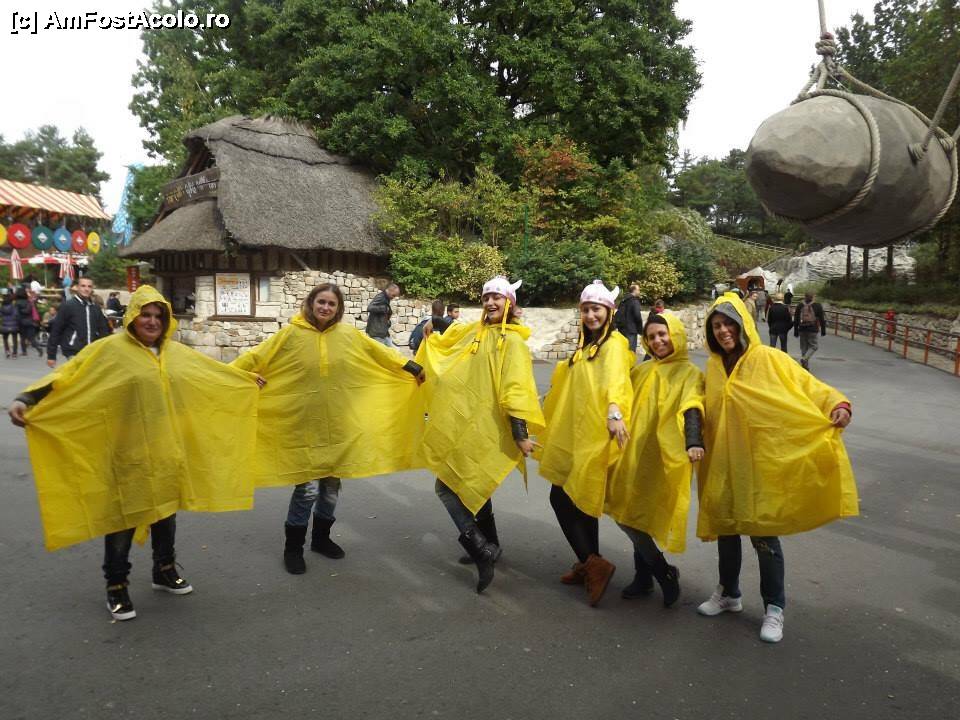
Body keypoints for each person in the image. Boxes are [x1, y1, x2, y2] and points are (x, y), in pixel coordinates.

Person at [8, 285, 260, 621]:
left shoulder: (176, 353)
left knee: (165, 514)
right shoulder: (109, 350)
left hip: (166, 450)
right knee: (123, 518)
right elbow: (68, 375)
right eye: (145, 314)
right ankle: (116, 585)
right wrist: (26, 399)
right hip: (125, 453)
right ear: (132, 317)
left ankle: (164, 570)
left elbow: (210, 374)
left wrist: (243, 380)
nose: (152, 321)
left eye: (158, 316)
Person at [232, 283, 426, 575]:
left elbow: (379, 353)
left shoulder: (348, 335)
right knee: (307, 490)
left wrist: (411, 366)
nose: (325, 307)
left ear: (338, 309)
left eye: (331, 304)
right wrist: (238, 375)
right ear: (311, 303)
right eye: (321, 302)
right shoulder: (290, 334)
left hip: (337, 426)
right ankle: (293, 549)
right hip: (302, 427)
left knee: (331, 487)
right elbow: (256, 357)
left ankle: (321, 539)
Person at [696, 292, 856, 643]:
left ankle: (774, 607)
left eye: (728, 324)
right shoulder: (713, 367)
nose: (723, 331)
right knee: (726, 531)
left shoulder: (767, 358)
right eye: (716, 326)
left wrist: (838, 404)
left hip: (759, 466)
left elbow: (807, 385)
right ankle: (729, 594)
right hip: (723, 465)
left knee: (764, 536)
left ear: (742, 325)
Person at [416, 276, 544, 593]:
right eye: (486, 297)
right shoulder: (476, 330)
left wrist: (520, 432)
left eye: (497, 298)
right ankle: (492, 544)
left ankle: (480, 548)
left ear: (510, 303)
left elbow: (515, 389)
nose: (490, 302)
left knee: (446, 488)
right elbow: (449, 333)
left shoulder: (512, 342)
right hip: (463, 425)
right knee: (473, 486)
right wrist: (432, 325)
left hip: (489, 428)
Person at [537, 280, 633, 606]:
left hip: (594, 435)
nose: (591, 315)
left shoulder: (613, 344)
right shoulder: (586, 346)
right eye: (586, 309)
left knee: (561, 497)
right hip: (574, 434)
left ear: (610, 312)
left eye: (597, 309)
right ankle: (590, 563)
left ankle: (593, 565)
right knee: (578, 500)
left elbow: (616, 380)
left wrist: (615, 412)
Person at [606, 311, 704, 607]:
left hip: (662, 457)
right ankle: (647, 576)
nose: (658, 340)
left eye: (663, 334)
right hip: (633, 453)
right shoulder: (643, 370)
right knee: (628, 513)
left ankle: (660, 573)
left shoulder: (689, 373)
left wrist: (694, 440)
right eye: (651, 337)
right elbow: (620, 395)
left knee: (638, 516)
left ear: (675, 334)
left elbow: (693, 406)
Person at [46, 276, 110, 366]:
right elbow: (56, 330)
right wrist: (51, 355)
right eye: (83, 286)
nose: (86, 289)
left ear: (92, 289)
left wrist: (106, 351)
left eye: (89, 286)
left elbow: (103, 330)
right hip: (74, 351)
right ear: (77, 287)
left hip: (91, 351)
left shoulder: (95, 308)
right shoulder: (68, 306)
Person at [793, 291, 827, 370]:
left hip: (802, 329)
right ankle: (804, 359)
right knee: (814, 346)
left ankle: (805, 366)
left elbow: (796, 318)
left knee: (804, 347)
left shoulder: (800, 305)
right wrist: (823, 330)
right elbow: (822, 318)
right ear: (813, 297)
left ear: (804, 297)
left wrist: (796, 330)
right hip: (813, 329)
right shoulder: (817, 305)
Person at [365, 282, 401, 346]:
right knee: (385, 351)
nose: (393, 297)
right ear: (390, 290)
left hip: (383, 333)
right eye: (393, 295)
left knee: (392, 350)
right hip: (376, 333)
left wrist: (388, 322)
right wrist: (384, 308)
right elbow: (370, 308)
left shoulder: (386, 297)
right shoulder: (381, 297)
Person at [613, 283, 643, 352]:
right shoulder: (634, 301)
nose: (639, 292)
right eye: (638, 290)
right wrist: (640, 330)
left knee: (623, 350)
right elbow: (637, 316)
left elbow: (619, 313)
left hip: (622, 329)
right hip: (631, 330)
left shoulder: (623, 300)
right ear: (634, 290)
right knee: (630, 351)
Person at [15, 287, 43, 357]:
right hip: (30, 321)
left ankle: (24, 351)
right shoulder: (29, 301)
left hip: (21, 322)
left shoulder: (17, 303)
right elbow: (30, 311)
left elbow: (16, 314)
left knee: (22, 337)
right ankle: (38, 348)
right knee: (31, 338)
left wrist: (17, 322)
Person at [1, 292, 19, 359]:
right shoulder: (14, 307)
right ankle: (14, 354)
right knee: (14, 339)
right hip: (14, 325)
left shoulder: (2, 308)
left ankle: (7, 351)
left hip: (5, 325)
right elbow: (16, 315)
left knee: (5, 339)